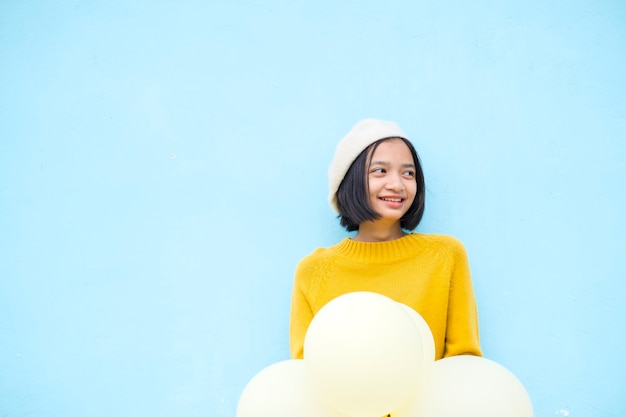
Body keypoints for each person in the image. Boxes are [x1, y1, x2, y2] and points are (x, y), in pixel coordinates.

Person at [289, 118, 482, 361]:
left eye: (408, 173)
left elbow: (464, 361)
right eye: (380, 171)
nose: (397, 184)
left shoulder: (445, 256)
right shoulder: (313, 272)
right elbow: (307, 371)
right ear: (350, 181)